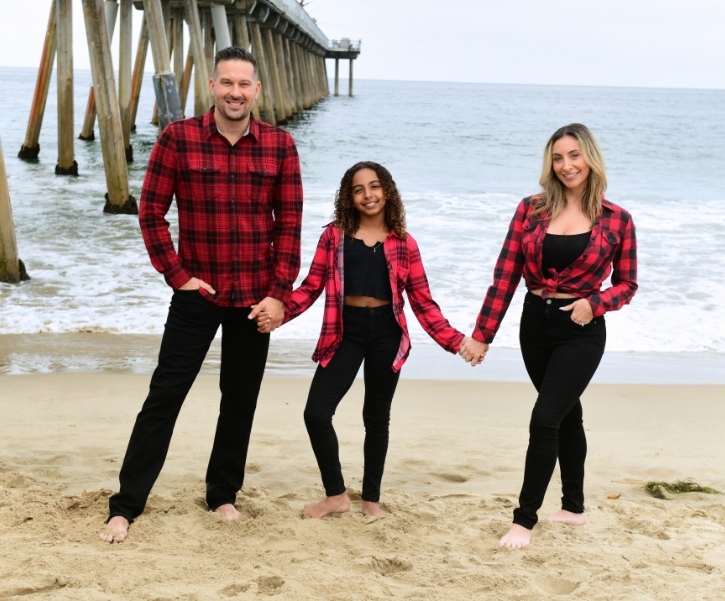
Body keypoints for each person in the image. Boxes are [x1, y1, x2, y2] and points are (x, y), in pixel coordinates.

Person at [99, 47, 303, 543]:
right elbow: (150, 212)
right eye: (227, 83)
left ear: (257, 90)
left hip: (254, 300)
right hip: (197, 295)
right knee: (164, 395)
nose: (235, 92)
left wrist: (278, 296)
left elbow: (290, 228)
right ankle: (126, 506)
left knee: (240, 401)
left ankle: (222, 494)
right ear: (212, 86)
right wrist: (176, 274)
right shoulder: (178, 137)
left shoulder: (280, 145)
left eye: (244, 84)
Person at [460, 123, 637, 549]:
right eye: (558, 158)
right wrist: (482, 334)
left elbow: (627, 284)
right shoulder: (530, 210)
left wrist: (595, 303)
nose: (566, 165)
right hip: (534, 323)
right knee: (565, 415)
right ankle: (573, 508)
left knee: (544, 419)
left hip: (582, 331)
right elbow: (504, 276)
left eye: (574, 155)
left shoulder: (617, 219)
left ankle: (524, 521)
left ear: (590, 158)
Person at [270, 161, 478, 519]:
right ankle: (335, 495)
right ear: (348, 198)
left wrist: (458, 341)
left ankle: (371, 501)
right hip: (345, 332)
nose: (368, 195)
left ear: (387, 191)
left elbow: (423, 303)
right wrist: (277, 314)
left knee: (376, 418)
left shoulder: (404, 243)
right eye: (358, 189)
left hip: (387, 333)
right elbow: (310, 288)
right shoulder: (333, 236)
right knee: (316, 413)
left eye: (375, 186)